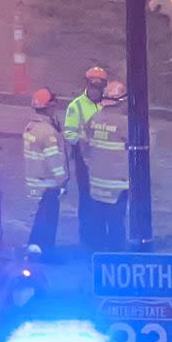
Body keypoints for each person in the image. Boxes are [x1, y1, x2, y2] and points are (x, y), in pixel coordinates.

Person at [82, 80, 130, 250]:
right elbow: (145, 148)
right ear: (122, 102)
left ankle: (98, 258)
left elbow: (84, 147)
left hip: (96, 183)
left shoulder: (94, 119)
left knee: (99, 224)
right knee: (116, 225)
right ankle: (116, 260)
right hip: (117, 185)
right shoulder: (125, 124)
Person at [22, 88, 67, 253]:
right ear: (49, 107)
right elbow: (54, 161)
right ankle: (45, 251)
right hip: (48, 184)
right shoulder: (48, 132)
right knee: (47, 219)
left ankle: (34, 246)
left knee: (38, 216)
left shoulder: (31, 127)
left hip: (34, 180)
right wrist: (62, 180)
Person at [64, 67, 107, 238]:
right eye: (93, 87)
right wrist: (84, 141)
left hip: (103, 159)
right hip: (84, 158)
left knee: (102, 197)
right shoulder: (76, 106)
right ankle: (87, 235)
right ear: (87, 85)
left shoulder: (106, 104)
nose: (96, 91)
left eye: (99, 88)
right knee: (87, 197)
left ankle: (101, 233)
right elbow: (69, 134)